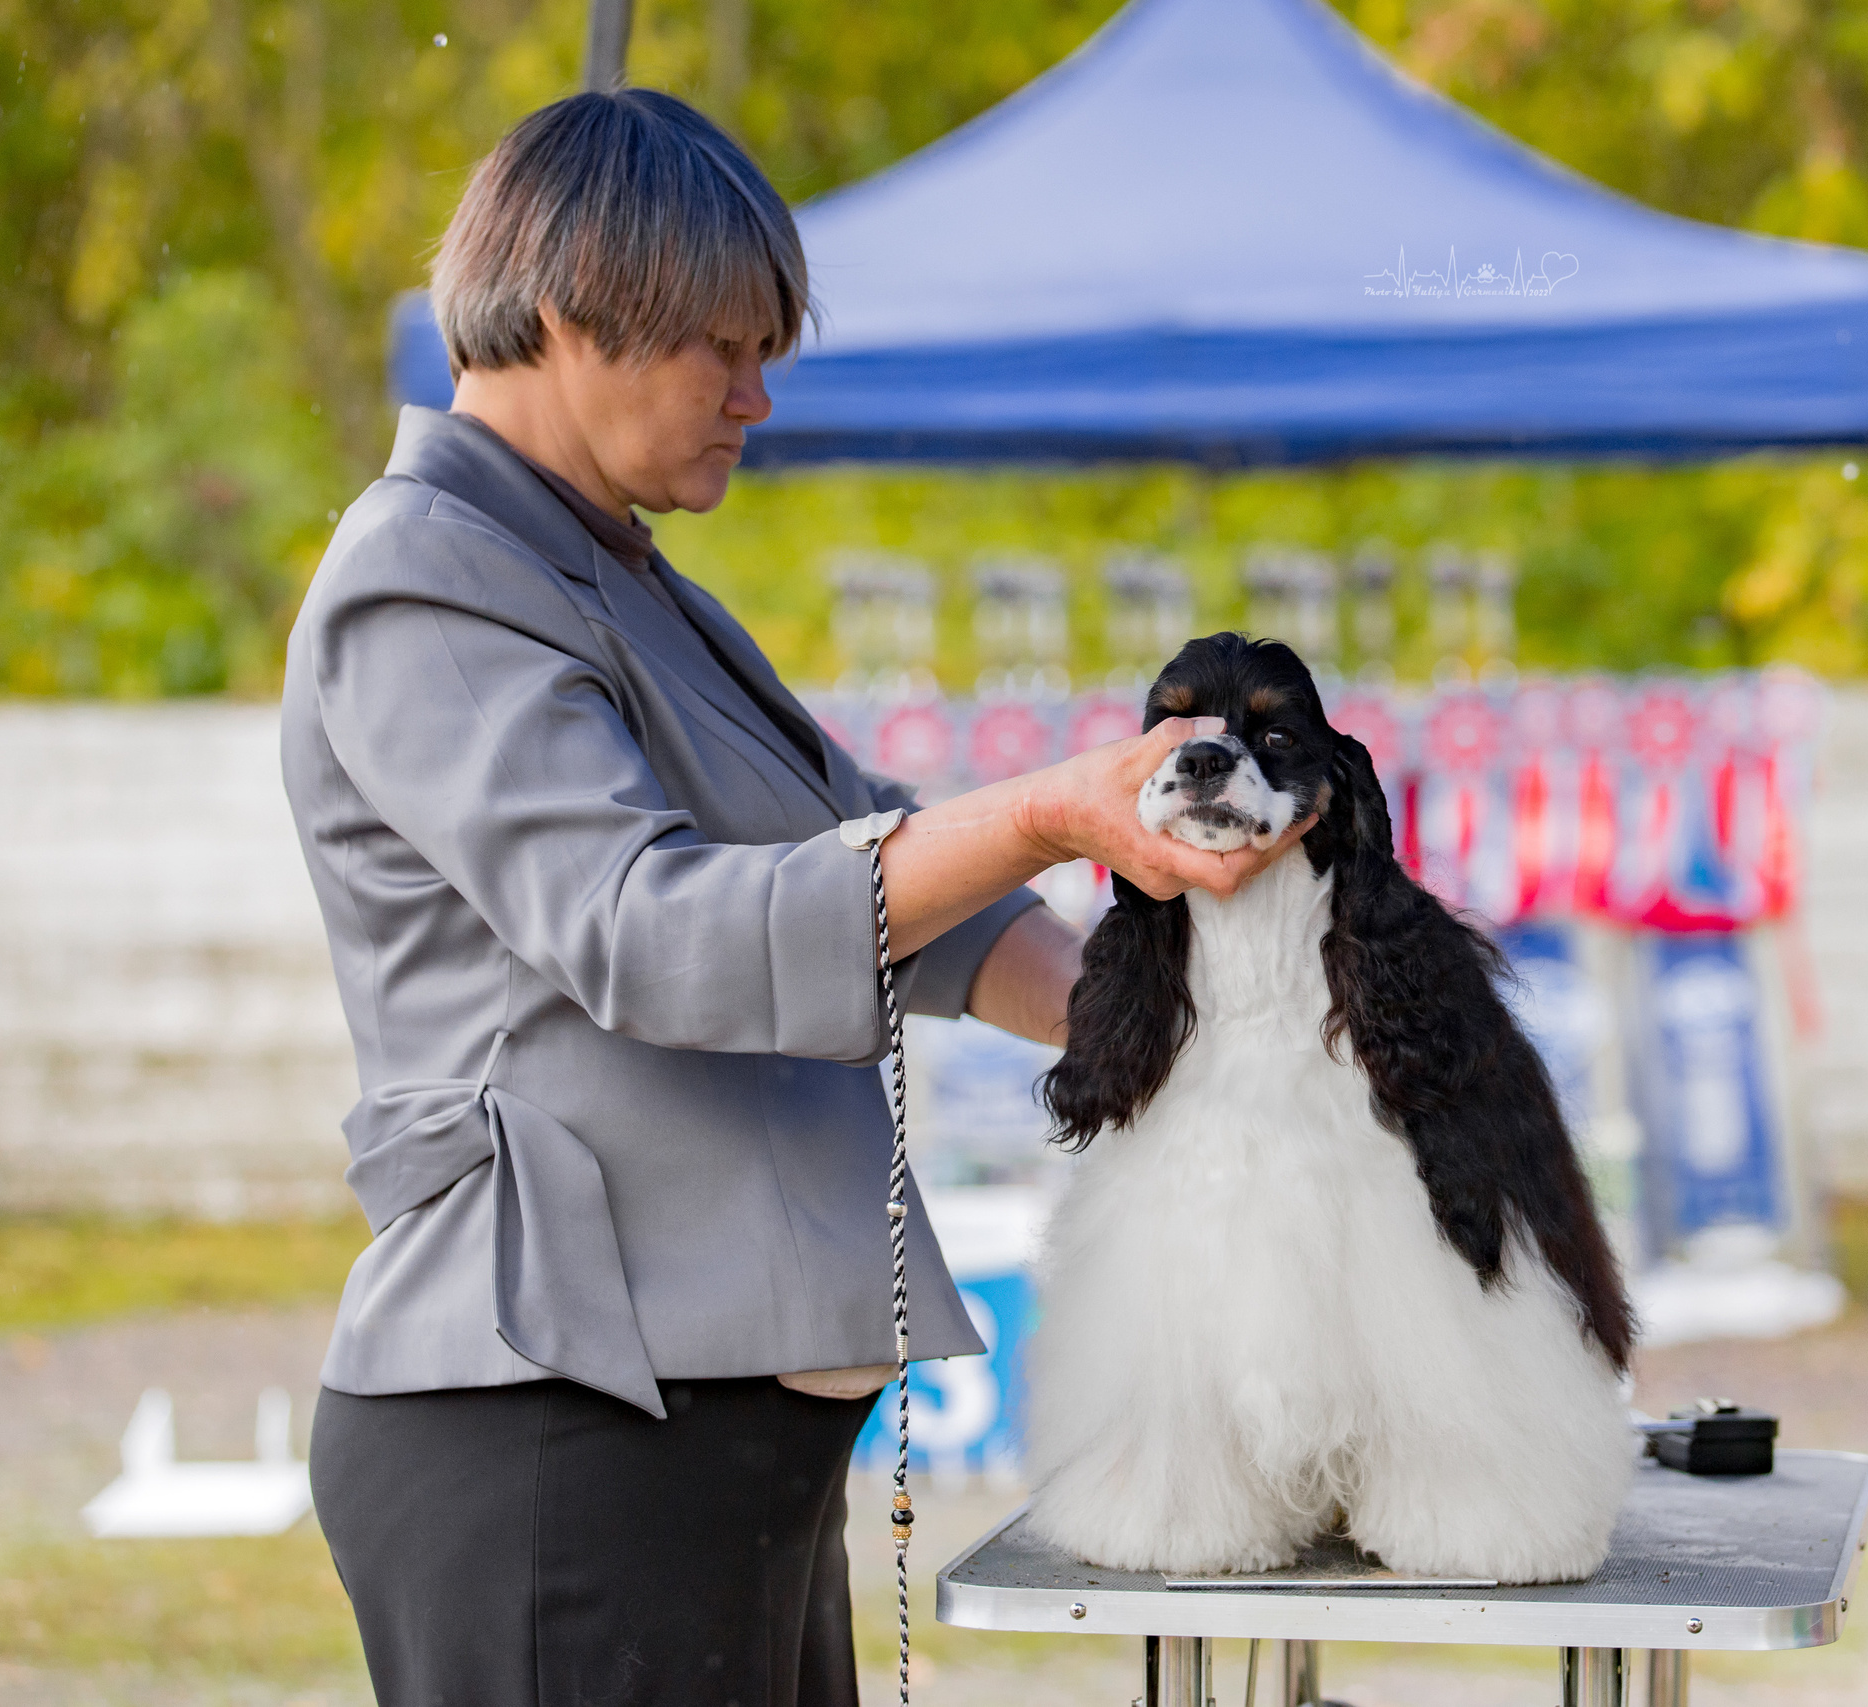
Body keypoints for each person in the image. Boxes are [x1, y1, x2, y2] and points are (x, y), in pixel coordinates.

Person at [284, 88, 1309, 1707]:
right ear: (569, 308)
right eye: (723, 347)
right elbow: (653, 932)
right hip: (556, 1441)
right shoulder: (426, 577)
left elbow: (898, 870)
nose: (758, 397)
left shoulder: (618, 579)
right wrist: (1054, 809)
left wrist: (1215, 1030)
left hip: (703, 1456)